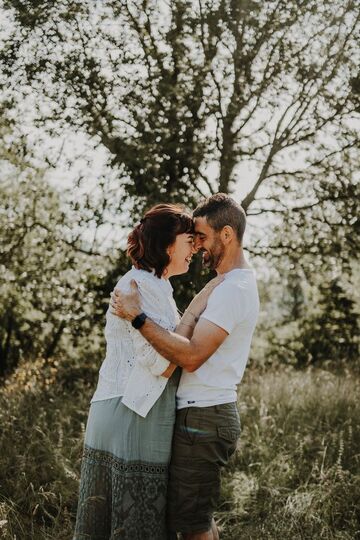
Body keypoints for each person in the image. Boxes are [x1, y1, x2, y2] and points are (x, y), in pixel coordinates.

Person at [111, 193, 260, 540]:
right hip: (200, 413)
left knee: (191, 524)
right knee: (194, 517)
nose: (197, 246)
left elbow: (191, 355)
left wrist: (137, 317)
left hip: (205, 416)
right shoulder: (226, 286)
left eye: (203, 237)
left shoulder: (233, 289)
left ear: (227, 234)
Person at [73, 203, 221, 540]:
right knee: (135, 520)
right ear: (168, 244)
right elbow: (164, 363)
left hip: (128, 406)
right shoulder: (140, 286)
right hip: (133, 410)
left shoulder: (155, 286)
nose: (195, 249)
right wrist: (198, 312)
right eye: (189, 241)